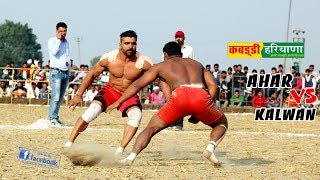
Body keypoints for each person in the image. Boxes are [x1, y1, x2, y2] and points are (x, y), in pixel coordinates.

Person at [107, 41, 228, 166]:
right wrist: (205, 104)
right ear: (180, 53)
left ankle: (130, 158)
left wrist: (119, 101)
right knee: (222, 123)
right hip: (200, 95)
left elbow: (137, 84)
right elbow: (213, 85)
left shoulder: (161, 66)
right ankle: (210, 148)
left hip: (179, 96)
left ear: (165, 54)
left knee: (150, 129)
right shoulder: (197, 64)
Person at [65, 30, 153, 157]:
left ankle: (119, 151)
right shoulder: (109, 58)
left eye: (133, 43)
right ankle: (69, 143)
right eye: (127, 43)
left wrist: (170, 97)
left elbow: (160, 76)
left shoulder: (143, 62)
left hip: (129, 94)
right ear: (120, 44)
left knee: (136, 116)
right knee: (91, 111)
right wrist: (79, 95)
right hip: (110, 91)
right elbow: (92, 74)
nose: (130, 46)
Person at [47, 22, 71, 126]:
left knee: (60, 97)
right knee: (55, 97)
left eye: (64, 31)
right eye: (60, 31)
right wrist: (58, 40)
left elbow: (67, 57)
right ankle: (52, 118)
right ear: (56, 31)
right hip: (56, 72)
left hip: (65, 72)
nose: (62, 33)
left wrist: (69, 71)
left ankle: (55, 117)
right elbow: (54, 52)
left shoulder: (66, 42)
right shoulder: (52, 41)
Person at [172, 30, 195, 131]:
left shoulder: (189, 49)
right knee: (172, 100)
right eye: (177, 37)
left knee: (180, 101)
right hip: (172, 77)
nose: (178, 39)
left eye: (180, 37)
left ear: (184, 38)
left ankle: (179, 124)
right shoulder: (171, 48)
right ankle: (173, 122)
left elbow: (193, 63)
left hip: (184, 78)